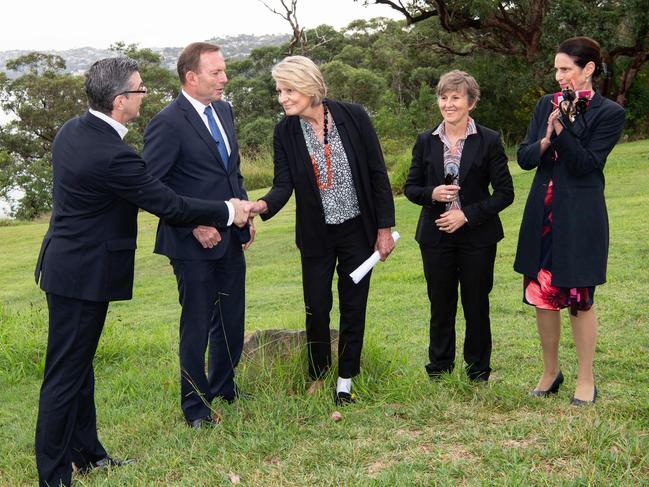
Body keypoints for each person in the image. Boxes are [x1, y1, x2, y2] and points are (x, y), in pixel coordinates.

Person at [33, 57, 250, 487]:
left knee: (79, 368)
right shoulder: (112, 154)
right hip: (82, 274)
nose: (144, 95)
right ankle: (53, 475)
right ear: (120, 101)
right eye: (140, 90)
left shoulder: (73, 130)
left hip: (65, 266)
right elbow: (170, 204)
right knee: (64, 376)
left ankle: (88, 453)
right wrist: (229, 209)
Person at [250, 56, 395, 404]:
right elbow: (283, 184)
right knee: (316, 306)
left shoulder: (354, 116)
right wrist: (261, 206)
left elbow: (377, 173)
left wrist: (384, 228)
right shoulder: (284, 131)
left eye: (289, 90)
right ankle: (317, 374)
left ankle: (345, 378)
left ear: (310, 86)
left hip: (358, 231)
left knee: (353, 305)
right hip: (316, 235)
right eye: (279, 92)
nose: (283, 98)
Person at [142, 42, 250, 428]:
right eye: (216, 72)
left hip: (231, 236)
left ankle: (224, 387)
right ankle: (195, 405)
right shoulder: (166, 123)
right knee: (198, 324)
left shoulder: (224, 110)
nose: (224, 78)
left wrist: (245, 211)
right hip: (190, 244)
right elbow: (150, 187)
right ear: (191, 77)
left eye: (223, 71)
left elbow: (231, 173)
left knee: (231, 320)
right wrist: (192, 224)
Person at [515, 37, 625, 405]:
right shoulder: (544, 104)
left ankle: (585, 378)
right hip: (542, 214)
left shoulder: (609, 113)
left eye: (566, 68)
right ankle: (550, 372)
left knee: (580, 298)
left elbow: (585, 165)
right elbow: (526, 158)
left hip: (580, 218)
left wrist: (562, 127)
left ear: (588, 69)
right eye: (557, 68)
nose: (559, 75)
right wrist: (545, 139)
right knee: (542, 295)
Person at [404, 70, 514, 383]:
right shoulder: (425, 141)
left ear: (471, 102)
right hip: (435, 237)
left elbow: (505, 193)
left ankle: (478, 370)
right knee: (440, 304)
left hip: (477, 237)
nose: (448, 104)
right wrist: (432, 193)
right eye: (443, 97)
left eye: (455, 97)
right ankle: (439, 369)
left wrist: (466, 215)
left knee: (476, 304)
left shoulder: (489, 140)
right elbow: (411, 188)